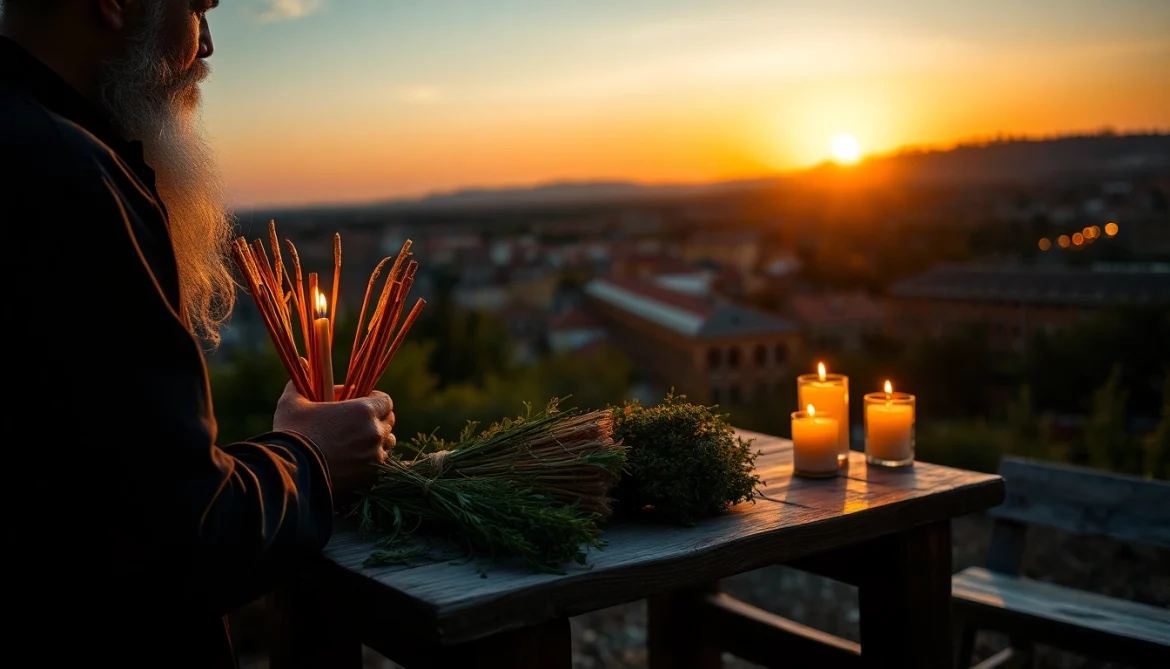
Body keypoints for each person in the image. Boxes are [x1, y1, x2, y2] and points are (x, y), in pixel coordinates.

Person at [0, 1, 394, 666]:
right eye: (197, 6)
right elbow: (176, 539)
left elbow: (90, 490)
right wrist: (313, 459)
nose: (206, 44)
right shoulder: (64, 175)